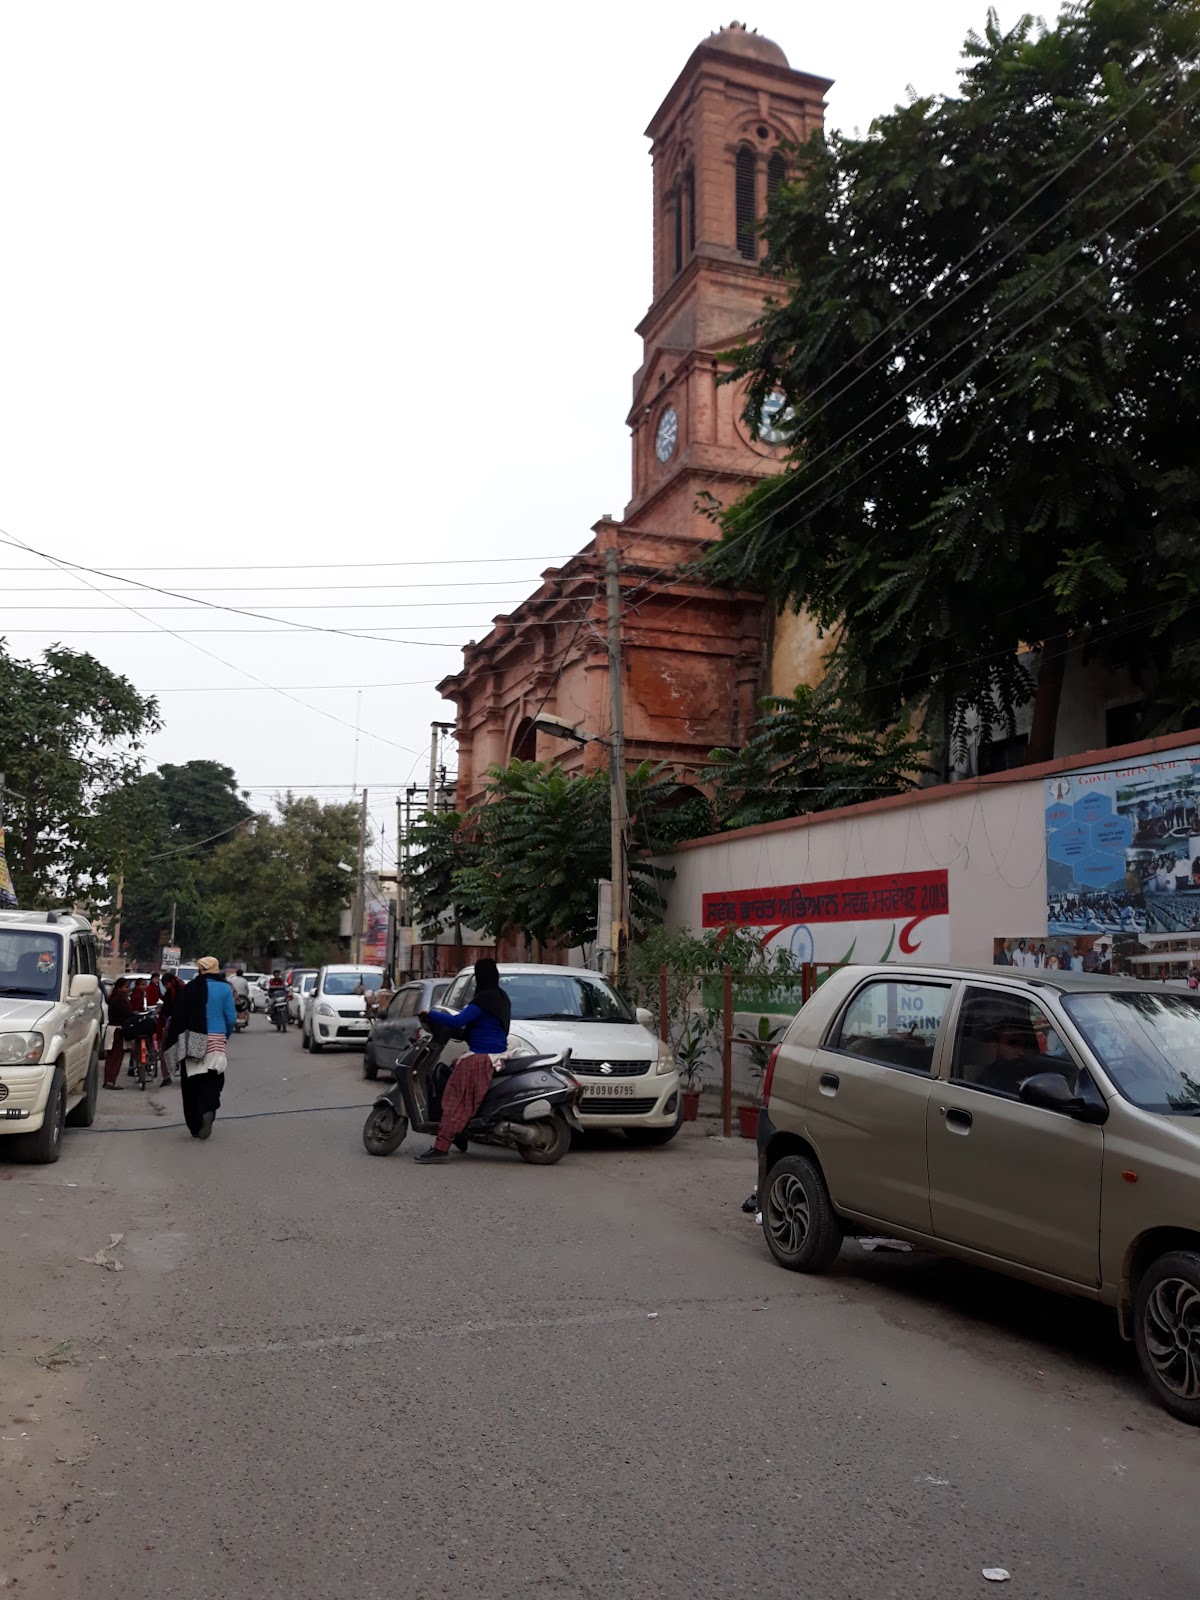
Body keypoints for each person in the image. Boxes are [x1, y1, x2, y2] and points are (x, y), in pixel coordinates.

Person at [413, 958, 511, 1164]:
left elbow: (458, 1020)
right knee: (450, 1074)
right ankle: (461, 1132)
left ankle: (440, 1148)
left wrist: (431, 1014)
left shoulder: (484, 999)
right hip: (494, 1054)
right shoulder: (501, 997)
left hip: (481, 1057)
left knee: (455, 1100)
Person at [163, 956, 237, 1140]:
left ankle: (195, 1124)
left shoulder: (190, 989)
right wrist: (224, 1037)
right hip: (217, 1038)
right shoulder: (225, 988)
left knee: (192, 1081)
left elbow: (178, 1017)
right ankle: (209, 1108)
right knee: (213, 1077)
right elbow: (231, 1018)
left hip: (194, 1037)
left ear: (200, 970)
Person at [103, 977, 133, 1089]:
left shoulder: (117, 997)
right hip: (117, 1031)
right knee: (115, 1058)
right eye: (126, 987)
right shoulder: (118, 999)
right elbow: (127, 1013)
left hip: (115, 1029)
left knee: (113, 1057)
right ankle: (110, 1081)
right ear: (119, 988)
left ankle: (110, 1081)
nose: (128, 989)